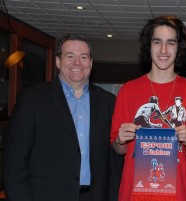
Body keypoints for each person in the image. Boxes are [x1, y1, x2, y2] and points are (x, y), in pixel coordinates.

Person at [3, 34, 118, 201]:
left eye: (83, 57)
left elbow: (113, 164)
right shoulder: (32, 100)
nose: (77, 63)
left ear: (91, 63)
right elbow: (14, 164)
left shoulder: (108, 102)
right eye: (70, 56)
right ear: (58, 61)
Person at [110, 16, 186, 201]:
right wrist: (120, 139)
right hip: (135, 192)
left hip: (179, 192)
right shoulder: (127, 90)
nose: (163, 50)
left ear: (179, 48)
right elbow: (118, 149)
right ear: (149, 46)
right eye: (157, 42)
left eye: (170, 43)